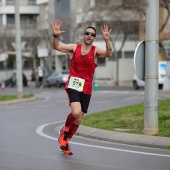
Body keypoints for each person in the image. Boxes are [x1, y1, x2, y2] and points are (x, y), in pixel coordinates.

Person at [52, 19, 112, 155]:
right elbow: (56, 47)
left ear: (95, 38)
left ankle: (65, 142)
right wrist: (55, 36)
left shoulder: (96, 51)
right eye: (87, 33)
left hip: (87, 88)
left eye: (92, 34)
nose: (89, 36)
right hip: (73, 84)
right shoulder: (74, 48)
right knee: (76, 112)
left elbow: (109, 54)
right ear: (83, 35)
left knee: (78, 119)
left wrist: (107, 40)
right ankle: (65, 130)